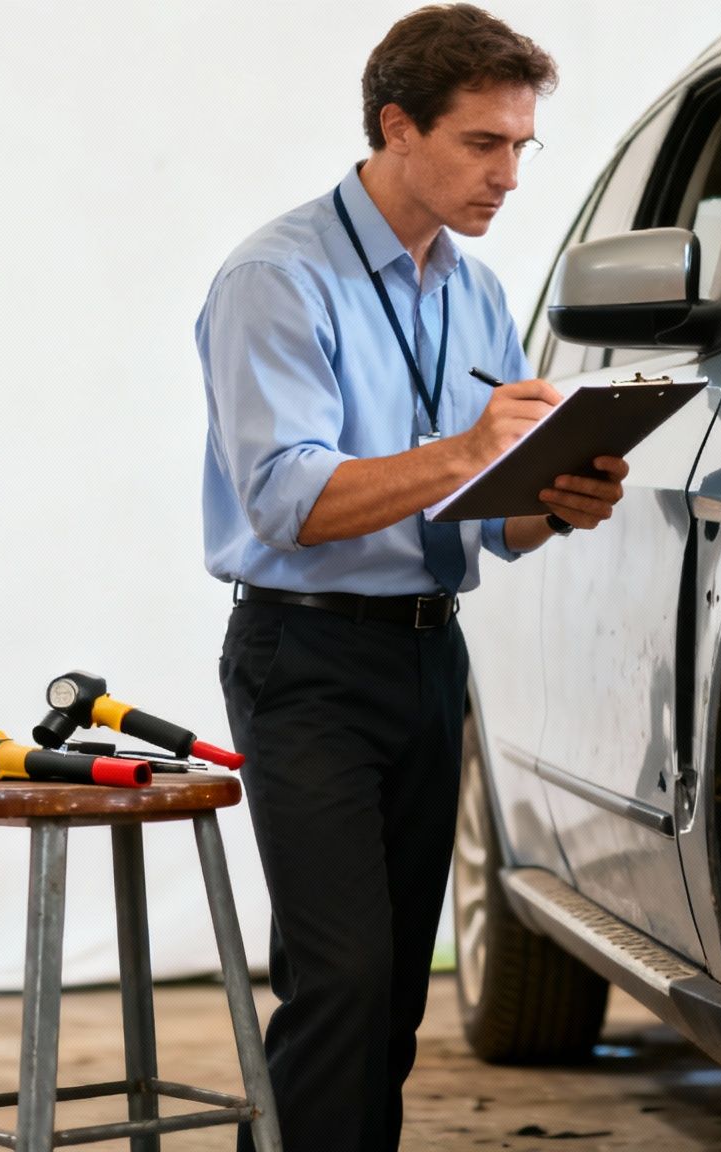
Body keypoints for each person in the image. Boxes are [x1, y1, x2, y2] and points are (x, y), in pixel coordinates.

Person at [195, 7, 624, 1149]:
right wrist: (475, 450)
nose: (510, 174)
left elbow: (488, 523)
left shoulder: (473, 291)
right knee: (337, 982)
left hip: (432, 655)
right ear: (396, 126)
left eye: (523, 147)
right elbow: (289, 501)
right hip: (308, 659)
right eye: (485, 143)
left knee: (388, 1000)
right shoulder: (278, 280)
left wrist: (553, 504)